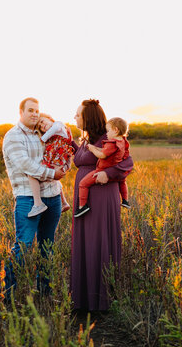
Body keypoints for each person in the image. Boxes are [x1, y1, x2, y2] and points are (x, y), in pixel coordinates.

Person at [70, 99, 134, 312]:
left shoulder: (109, 138)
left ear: (88, 117)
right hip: (85, 196)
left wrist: (108, 173)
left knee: (98, 242)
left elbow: (127, 164)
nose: (75, 118)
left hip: (101, 196)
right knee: (85, 243)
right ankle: (83, 300)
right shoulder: (86, 139)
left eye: (78, 114)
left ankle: (101, 300)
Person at [2, 97, 67, 297]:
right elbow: (25, 165)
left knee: (47, 247)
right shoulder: (13, 136)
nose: (34, 114)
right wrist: (52, 174)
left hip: (53, 196)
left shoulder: (43, 133)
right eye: (30, 110)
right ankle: (8, 294)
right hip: (28, 199)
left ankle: (45, 292)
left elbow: (58, 153)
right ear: (20, 112)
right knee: (23, 246)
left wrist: (65, 164)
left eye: (37, 111)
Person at [73, 116, 130, 217]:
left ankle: (82, 206)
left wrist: (93, 150)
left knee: (83, 184)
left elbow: (103, 155)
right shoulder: (122, 142)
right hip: (105, 174)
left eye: (78, 115)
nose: (107, 133)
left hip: (100, 174)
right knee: (123, 182)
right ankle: (125, 200)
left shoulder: (110, 141)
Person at [27, 113, 74, 217]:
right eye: (39, 126)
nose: (42, 125)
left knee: (31, 173)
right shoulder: (53, 135)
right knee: (54, 179)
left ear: (49, 118)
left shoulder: (58, 125)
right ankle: (64, 202)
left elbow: (54, 130)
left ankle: (38, 203)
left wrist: (42, 138)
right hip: (56, 161)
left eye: (42, 121)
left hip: (57, 160)